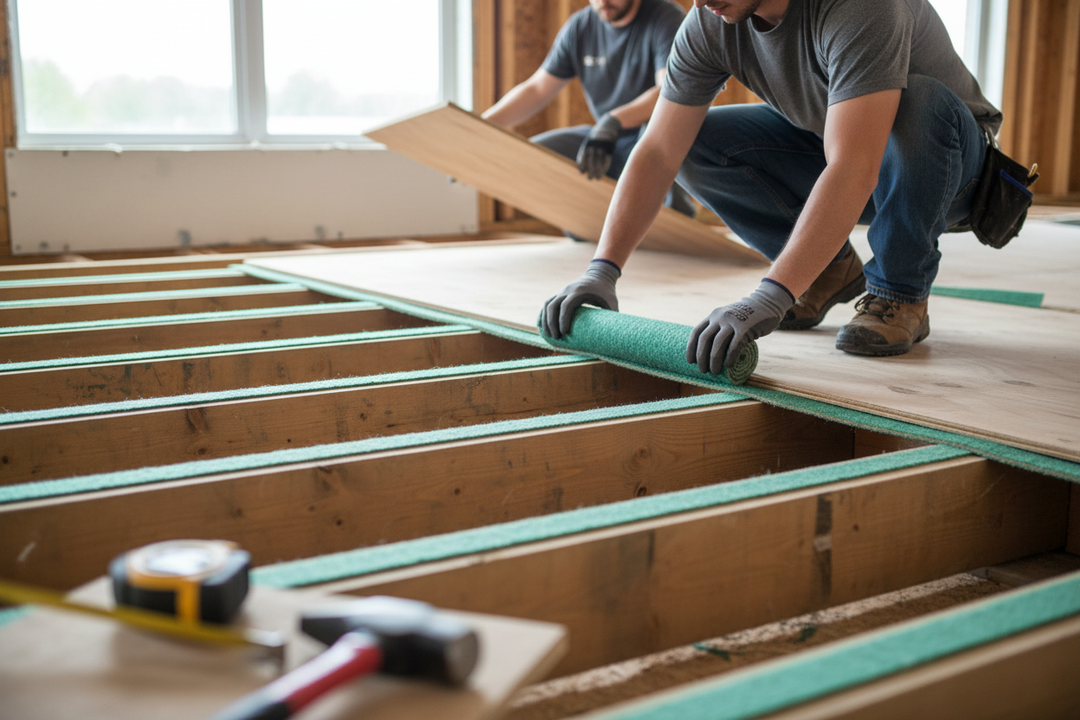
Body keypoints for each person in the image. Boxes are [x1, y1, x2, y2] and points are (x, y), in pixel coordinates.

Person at [541, 0, 1002, 370]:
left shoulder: (860, 8)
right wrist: (602, 269)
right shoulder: (710, 20)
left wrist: (771, 294)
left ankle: (900, 293)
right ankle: (826, 272)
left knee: (916, 102)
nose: (700, 1)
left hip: (948, 170)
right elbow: (659, 151)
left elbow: (853, 166)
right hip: (840, 148)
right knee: (695, 141)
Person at [482, 0, 695, 216]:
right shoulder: (580, 27)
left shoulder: (665, 17)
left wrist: (612, 121)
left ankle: (674, 211)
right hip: (601, 141)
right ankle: (590, 219)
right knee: (527, 156)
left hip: (648, 137)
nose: (603, 2)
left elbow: (668, 91)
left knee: (663, 139)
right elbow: (537, 89)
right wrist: (482, 126)